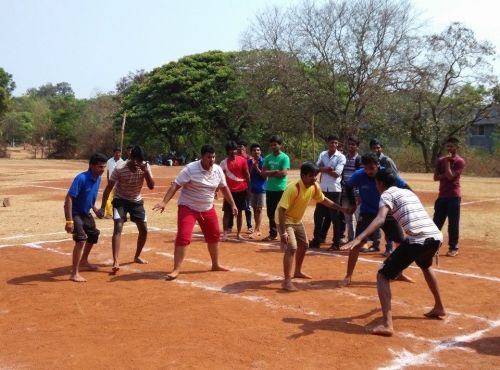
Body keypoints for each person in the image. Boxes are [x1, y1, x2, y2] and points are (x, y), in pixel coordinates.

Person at [342, 169, 445, 336]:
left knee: (382, 275)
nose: (376, 186)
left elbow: (381, 218)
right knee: (425, 265)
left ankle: (387, 324)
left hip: (418, 239)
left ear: (380, 184)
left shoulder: (386, 195)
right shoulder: (408, 192)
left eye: (376, 183)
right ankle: (439, 306)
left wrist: (358, 237)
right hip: (435, 236)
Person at [153, 144, 238, 280]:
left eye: (214, 157)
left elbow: (224, 188)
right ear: (202, 157)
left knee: (214, 235)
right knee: (184, 236)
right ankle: (176, 269)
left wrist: (233, 204)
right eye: (209, 157)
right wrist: (164, 202)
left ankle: (215, 264)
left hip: (207, 208)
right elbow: (176, 185)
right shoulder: (190, 169)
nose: (212, 160)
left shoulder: (217, 170)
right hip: (188, 207)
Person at [278, 162, 353, 291]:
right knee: (292, 247)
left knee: (304, 245)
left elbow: (323, 200)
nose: (314, 178)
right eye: (311, 176)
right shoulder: (293, 188)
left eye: (316, 175)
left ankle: (297, 272)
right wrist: (283, 233)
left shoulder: (314, 187)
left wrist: (341, 209)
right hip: (286, 220)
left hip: (296, 220)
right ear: (303, 175)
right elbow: (281, 210)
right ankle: (286, 281)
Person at [341, 153, 412, 286]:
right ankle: (348, 276)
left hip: (387, 213)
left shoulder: (387, 174)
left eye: (371, 168)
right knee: (357, 244)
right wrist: (352, 203)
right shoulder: (359, 174)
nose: (368, 171)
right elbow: (348, 186)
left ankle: (400, 272)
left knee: (401, 243)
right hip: (367, 213)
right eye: (366, 168)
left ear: (378, 165)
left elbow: (407, 188)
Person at [99, 145, 155, 272]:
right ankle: (116, 261)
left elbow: (151, 186)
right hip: (120, 200)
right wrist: (102, 207)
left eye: (140, 161)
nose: (137, 163)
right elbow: (108, 188)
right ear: (130, 157)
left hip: (136, 201)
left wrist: (146, 172)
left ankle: (137, 256)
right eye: (135, 160)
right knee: (118, 226)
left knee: (144, 229)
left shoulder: (145, 167)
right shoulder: (120, 168)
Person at [64, 153, 107, 282]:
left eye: (104, 167)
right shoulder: (81, 178)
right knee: (81, 239)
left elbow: (90, 198)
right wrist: (69, 220)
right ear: (91, 166)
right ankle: (74, 273)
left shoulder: (98, 178)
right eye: (100, 167)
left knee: (93, 234)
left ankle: (84, 261)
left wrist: (95, 210)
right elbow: (69, 198)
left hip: (86, 212)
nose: (102, 170)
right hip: (75, 212)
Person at [309, 135, 346, 250]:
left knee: (335, 217)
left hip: (335, 190)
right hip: (323, 189)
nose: (333, 145)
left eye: (335, 143)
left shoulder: (341, 157)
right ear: (328, 143)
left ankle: (336, 243)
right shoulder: (322, 154)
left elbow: (337, 174)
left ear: (338, 144)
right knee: (318, 216)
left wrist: (323, 169)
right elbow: (315, 168)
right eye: (331, 142)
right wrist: (327, 169)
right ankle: (317, 240)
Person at [433, 137, 465, 257]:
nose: (449, 149)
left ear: (457, 147)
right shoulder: (441, 160)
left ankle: (453, 247)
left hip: (453, 197)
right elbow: (435, 178)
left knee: (453, 224)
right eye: (448, 146)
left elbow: (451, 177)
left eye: (452, 146)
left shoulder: (459, 161)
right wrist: (444, 170)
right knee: (436, 223)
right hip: (442, 196)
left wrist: (447, 163)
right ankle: (433, 247)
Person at [369, 139, 400, 256]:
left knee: (389, 222)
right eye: (374, 148)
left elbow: (395, 176)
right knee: (377, 220)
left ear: (381, 148)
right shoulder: (369, 161)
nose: (376, 150)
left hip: (388, 195)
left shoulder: (386, 160)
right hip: (376, 194)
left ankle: (389, 247)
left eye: (378, 148)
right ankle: (375, 244)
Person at [261, 135, 290, 241]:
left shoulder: (284, 157)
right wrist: (274, 172)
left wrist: (270, 173)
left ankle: (286, 233)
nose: (273, 146)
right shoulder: (268, 158)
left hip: (281, 189)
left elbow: (283, 173)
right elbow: (263, 174)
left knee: (282, 212)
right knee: (270, 213)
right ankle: (273, 234)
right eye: (272, 145)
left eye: (275, 144)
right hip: (270, 189)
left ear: (280, 145)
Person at [220, 141, 250, 240]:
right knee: (227, 212)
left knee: (240, 212)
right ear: (227, 151)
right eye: (231, 150)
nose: (233, 151)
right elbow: (219, 177)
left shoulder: (242, 160)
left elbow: (246, 174)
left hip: (242, 190)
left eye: (235, 149)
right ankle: (225, 233)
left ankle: (238, 234)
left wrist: (249, 187)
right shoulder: (223, 163)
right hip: (229, 191)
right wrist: (216, 189)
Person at [341, 136, 361, 242]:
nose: (350, 146)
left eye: (353, 144)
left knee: (358, 217)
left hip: (356, 192)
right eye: (349, 144)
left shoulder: (359, 159)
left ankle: (360, 240)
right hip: (345, 192)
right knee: (347, 216)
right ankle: (351, 238)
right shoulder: (343, 158)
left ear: (357, 147)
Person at [247, 143, 267, 238]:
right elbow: (248, 175)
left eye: (258, 150)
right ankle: (257, 228)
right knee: (254, 209)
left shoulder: (264, 161)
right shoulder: (249, 162)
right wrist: (253, 166)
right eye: (254, 150)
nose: (256, 152)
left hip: (262, 188)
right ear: (251, 152)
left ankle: (257, 229)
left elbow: (263, 176)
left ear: (260, 151)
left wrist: (257, 167)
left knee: (259, 209)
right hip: (252, 189)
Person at [237, 139, 253, 233]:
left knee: (247, 207)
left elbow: (250, 172)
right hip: (236, 186)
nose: (239, 148)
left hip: (246, 186)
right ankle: (230, 226)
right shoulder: (234, 158)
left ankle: (249, 226)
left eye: (241, 147)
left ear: (245, 148)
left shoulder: (249, 159)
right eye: (238, 147)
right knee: (234, 207)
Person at [105, 148, 124, 218]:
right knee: (108, 198)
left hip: (119, 184)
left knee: (120, 199)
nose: (118, 154)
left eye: (119, 153)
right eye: (117, 153)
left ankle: (122, 213)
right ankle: (109, 213)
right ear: (114, 153)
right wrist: (108, 181)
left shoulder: (122, 162)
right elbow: (108, 172)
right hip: (111, 183)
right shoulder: (109, 161)